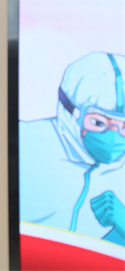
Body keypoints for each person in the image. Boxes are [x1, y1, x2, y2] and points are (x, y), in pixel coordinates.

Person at [20, 52, 125, 246]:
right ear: (70, 111)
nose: (114, 136)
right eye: (98, 122)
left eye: (124, 127)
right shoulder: (28, 142)